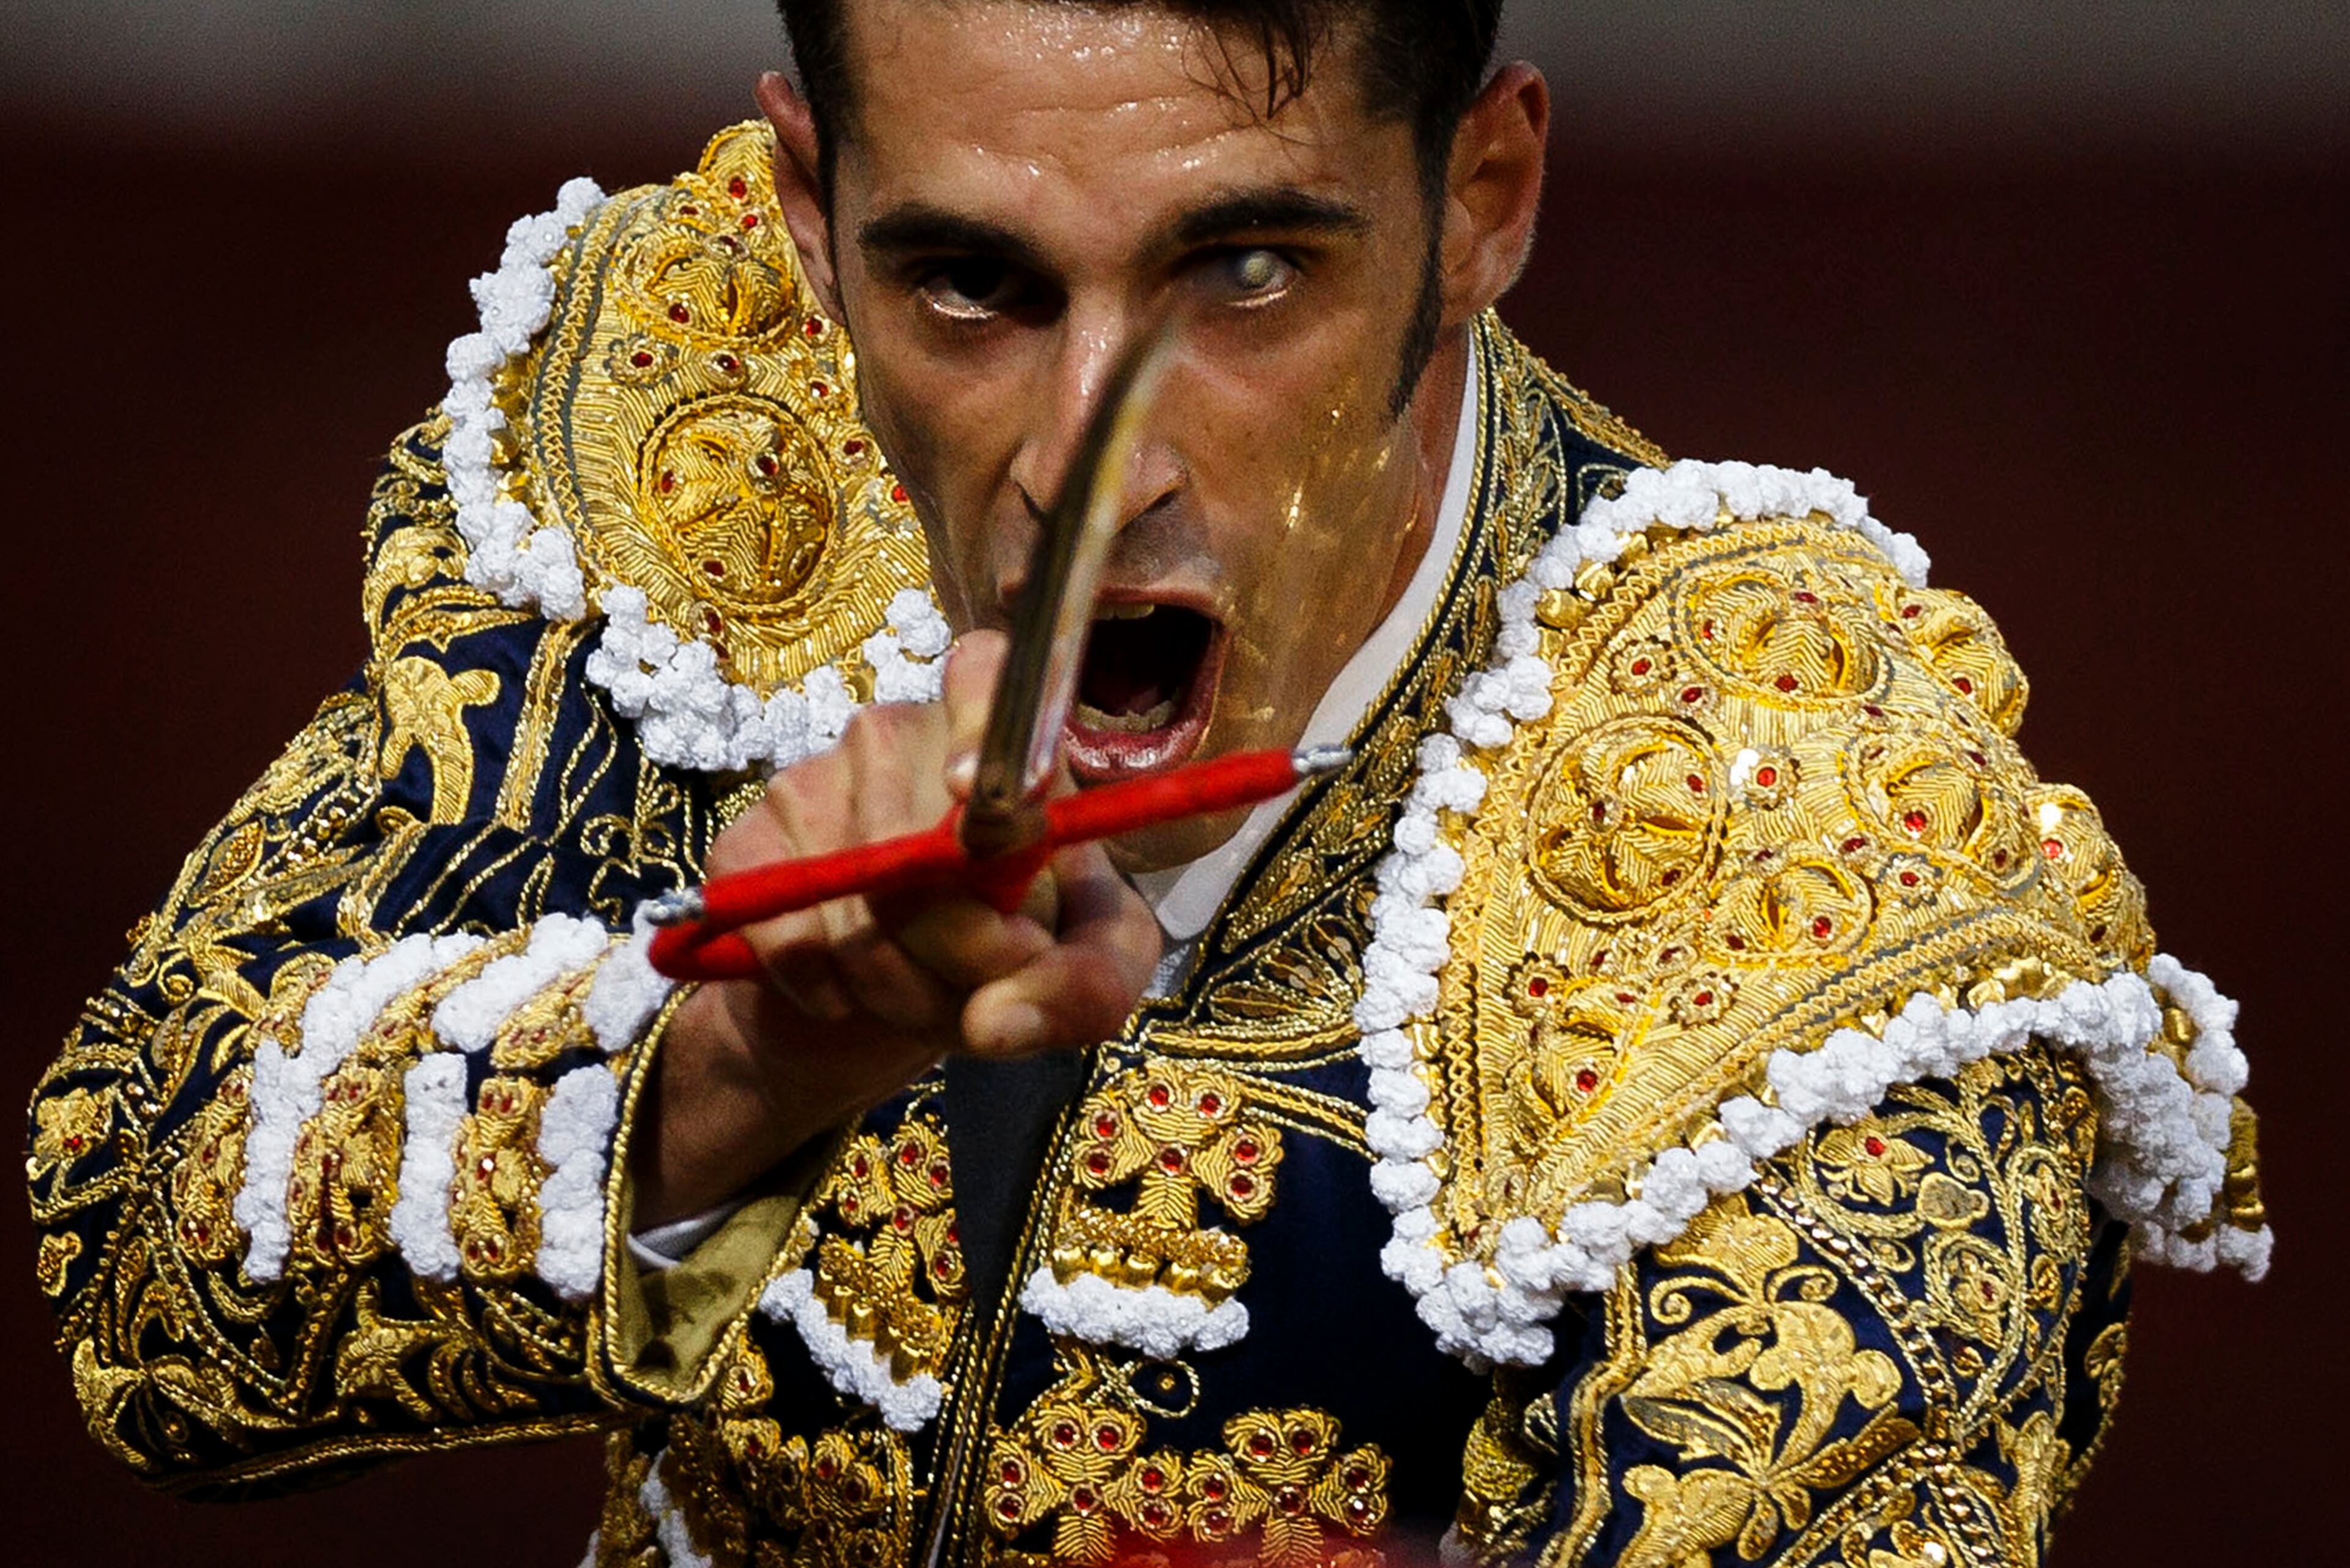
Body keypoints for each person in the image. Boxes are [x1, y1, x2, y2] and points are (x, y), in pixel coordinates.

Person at [25, 1, 2270, 1564]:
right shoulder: (703, 441)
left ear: (1483, 197)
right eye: (971, 287)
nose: (1095, 466)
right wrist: (733, 1064)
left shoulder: (1811, 866)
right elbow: (148, 1269)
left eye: (1247, 267)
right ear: (810, 217)